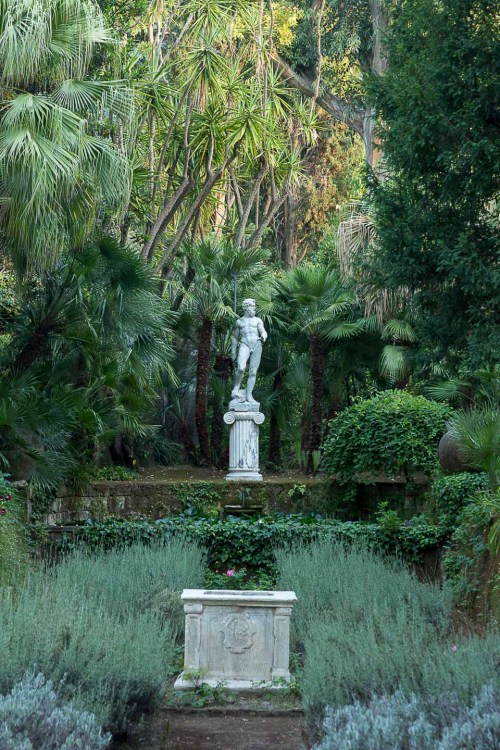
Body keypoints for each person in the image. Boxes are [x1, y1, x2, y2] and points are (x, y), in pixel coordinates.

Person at [231, 298, 267, 404]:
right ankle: (236, 387)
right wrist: (233, 351)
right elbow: (235, 337)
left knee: (253, 373)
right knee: (241, 368)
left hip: (256, 344)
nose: (254, 308)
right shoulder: (239, 321)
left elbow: (263, 331)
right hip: (245, 344)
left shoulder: (257, 320)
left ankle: (249, 394)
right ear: (246, 307)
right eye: (252, 306)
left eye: (254, 306)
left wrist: (264, 335)